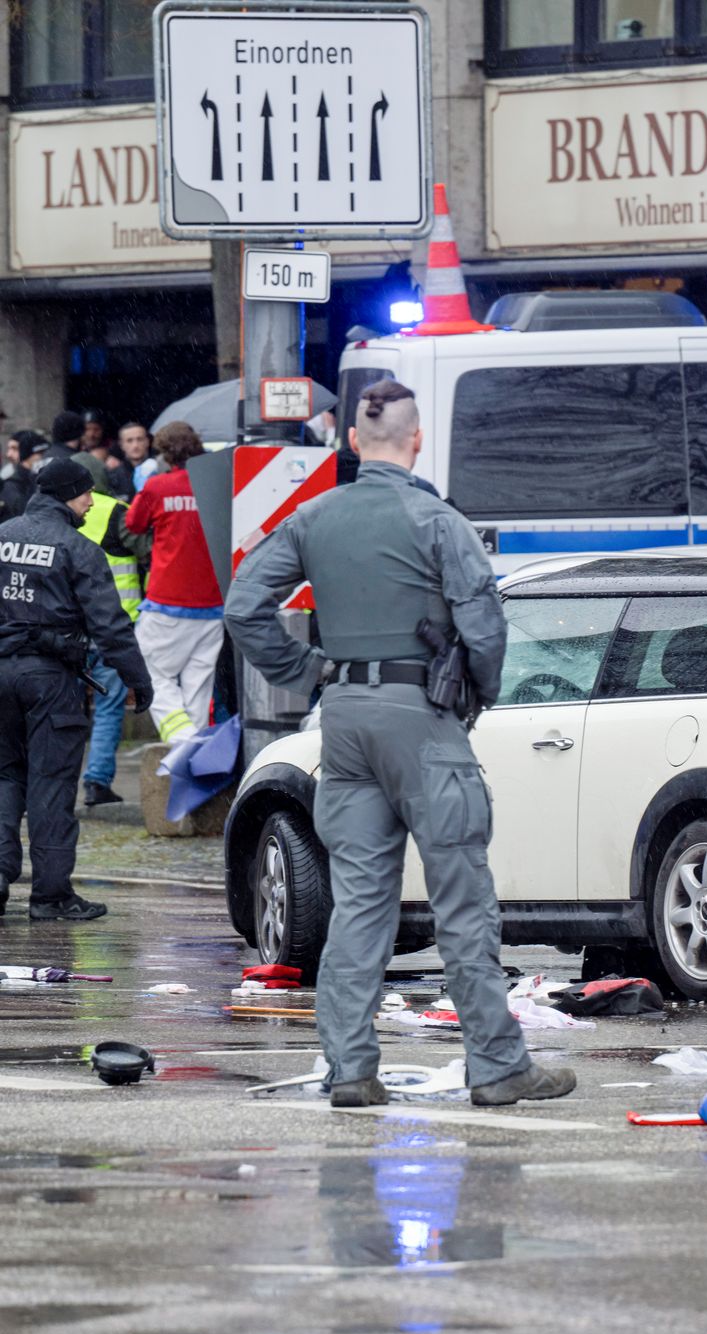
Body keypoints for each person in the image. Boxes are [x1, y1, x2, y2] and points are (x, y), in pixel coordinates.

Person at [227, 379, 574, 1108]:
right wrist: (475, 694)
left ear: (352, 441)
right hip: (422, 717)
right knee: (462, 900)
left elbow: (244, 605)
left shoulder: (313, 517)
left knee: (358, 904)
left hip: (344, 718)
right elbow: (484, 627)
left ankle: (350, 1069)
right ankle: (498, 1066)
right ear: (417, 440)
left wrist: (309, 672)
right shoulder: (436, 519)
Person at [0, 460, 153, 921]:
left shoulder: (3, 534)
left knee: (4, 779)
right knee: (51, 784)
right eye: (85, 493)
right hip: (51, 681)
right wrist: (137, 680)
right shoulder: (77, 548)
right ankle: (50, 897)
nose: (91, 501)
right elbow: (111, 625)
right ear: (66, 494)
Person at [124, 422, 224, 754]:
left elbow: (134, 524)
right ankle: (194, 755)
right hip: (212, 602)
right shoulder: (217, 486)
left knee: (148, 672)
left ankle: (181, 742)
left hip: (167, 599)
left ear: (165, 452)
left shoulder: (157, 487)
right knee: (198, 686)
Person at [76, 481, 143, 807]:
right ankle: (96, 783)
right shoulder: (118, 512)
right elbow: (146, 556)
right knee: (109, 707)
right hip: (113, 627)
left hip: (69, 630)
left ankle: (54, 785)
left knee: (62, 711)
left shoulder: (54, 514)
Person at [49, 412, 111, 496]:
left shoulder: (112, 449)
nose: (91, 434)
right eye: (87, 429)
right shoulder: (67, 454)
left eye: (96, 429)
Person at [2, 430, 49, 521]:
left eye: (15, 449)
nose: (9, 454)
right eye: (9, 448)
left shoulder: (40, 480)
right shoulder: (9, 481)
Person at [118, 422, 156, 493]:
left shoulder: (160, 470)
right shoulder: (113, 477)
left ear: (147, 442)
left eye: (140, 439)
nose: (135, 445)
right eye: (129, 440)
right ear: (121, 445)